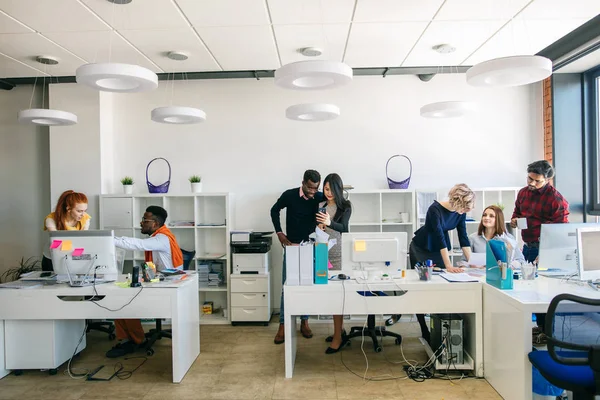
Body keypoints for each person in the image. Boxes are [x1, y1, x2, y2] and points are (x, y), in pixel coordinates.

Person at [386, 183, 475, 343]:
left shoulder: (460, 213)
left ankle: (439, 327)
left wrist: (473, 261)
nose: (466, 212)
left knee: (441, 286)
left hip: (440, 249)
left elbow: (463, 236)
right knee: (421, 288)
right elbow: (440, 238)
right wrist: (448, 265)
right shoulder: (434, 210)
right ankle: (424, 329)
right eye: (465, 208)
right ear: (458, 202)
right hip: (422, 248)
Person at [106, 205, 183, 358]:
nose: (141, 223)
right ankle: (132, 338)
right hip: (160, 282)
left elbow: (137, 244)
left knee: (124, 303)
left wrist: (109, 240)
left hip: (166, 289)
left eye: (144, 220)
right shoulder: (160, 236)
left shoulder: (161, 238)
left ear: (154, 224)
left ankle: (135, 340)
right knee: (122, 299)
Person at [510, 160, 569, 344]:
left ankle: (547, 333)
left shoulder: (556, 200)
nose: (532, 184)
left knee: (545, 291)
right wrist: (514, 221)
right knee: (529, 289)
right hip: (527, 246)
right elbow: (516, 213)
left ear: (548, 179)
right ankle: (539, 329)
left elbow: (560, 231)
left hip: (545, 248)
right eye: (530, 179)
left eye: (537, 181)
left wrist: (544, 253)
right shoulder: (523, 193)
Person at [270, 169, 324, 345]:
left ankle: (304, 321)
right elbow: (274, 210)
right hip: (291, 246)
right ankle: (283, 325)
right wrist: (279, 232)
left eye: (315, 188)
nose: (312, 192)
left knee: (306, 286)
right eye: (309, 188)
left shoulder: (319, 197)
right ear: (303, 182)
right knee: (288, 286)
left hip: (311, 247)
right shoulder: (290, 195)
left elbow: (335, 205)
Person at [315, 173, 352, 354]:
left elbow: (344, 228)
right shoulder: (321, 205)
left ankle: (338, 337)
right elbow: (318, 228)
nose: (327, 192)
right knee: (328, 294)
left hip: (339, 254)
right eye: (325, 189)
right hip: (323, 251)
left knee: (338, 295)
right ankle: (340, 331)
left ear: (337, 188)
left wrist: (329, 222)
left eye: (330, 189)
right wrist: (320, 227)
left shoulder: (345, 206)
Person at [42, 190, 91, 271]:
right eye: (79, 211)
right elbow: (56, 243)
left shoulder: (85, 219)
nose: (83, 214)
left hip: (73, 255)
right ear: (68, 209)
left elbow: (82, 240)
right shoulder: (51, 219)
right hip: (52, 258)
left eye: (85, 210)